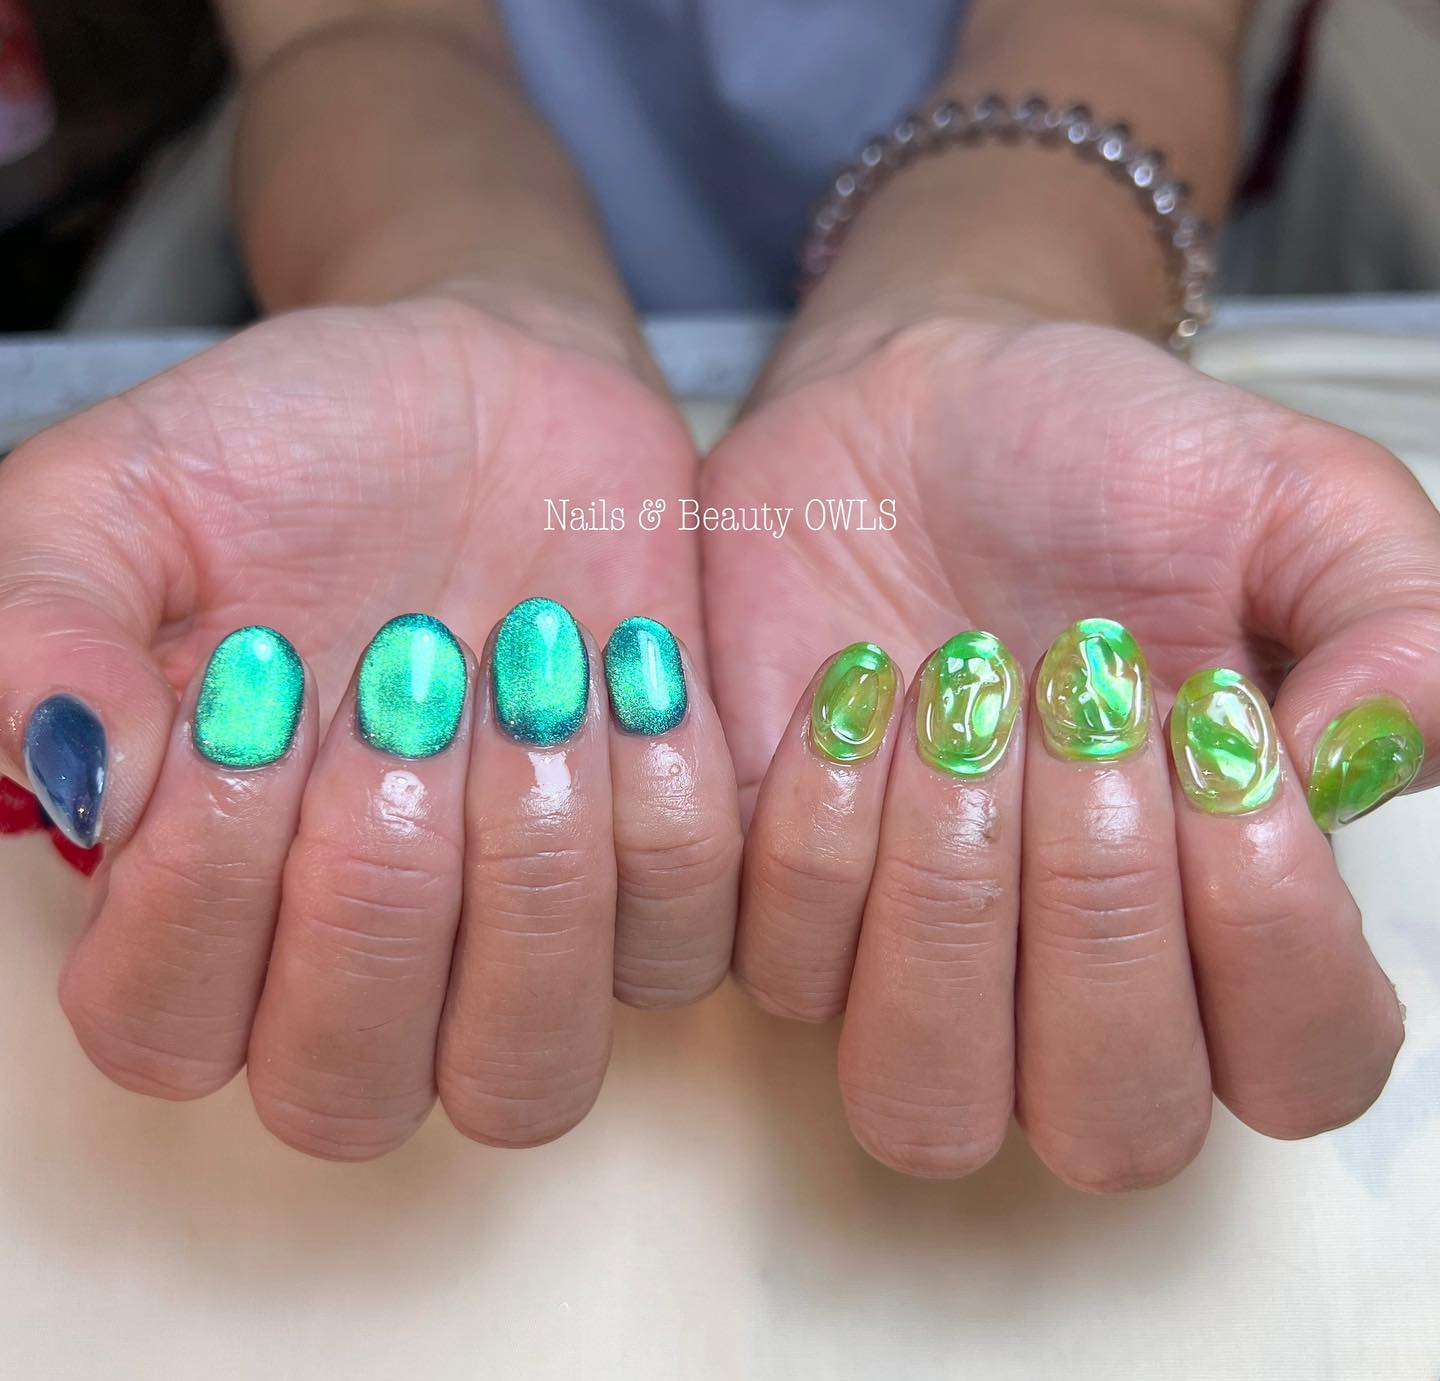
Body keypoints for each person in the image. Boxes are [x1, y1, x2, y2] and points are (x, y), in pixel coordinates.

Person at [0, 0, 1435, 1191]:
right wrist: (482, 294)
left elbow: (1140, 21)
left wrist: (969, 304)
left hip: (1078, 215)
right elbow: (359, 31)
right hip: (389, 180)